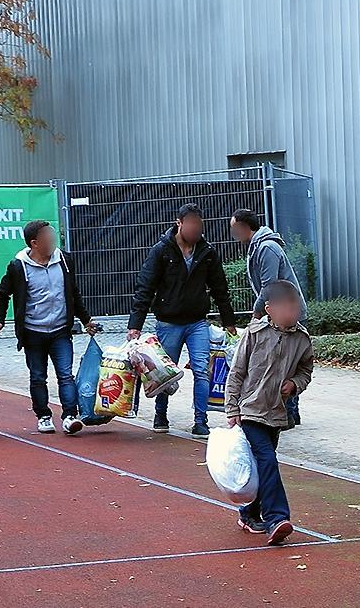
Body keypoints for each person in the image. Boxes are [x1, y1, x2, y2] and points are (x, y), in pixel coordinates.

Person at [128, 203, 237, 438]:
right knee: (165, 372)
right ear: (179, 223)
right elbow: (145, 287)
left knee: (201, 370)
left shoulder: (207, 252)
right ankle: (160, 414)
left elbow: (220, 288)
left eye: (200, 225)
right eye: (192, 225)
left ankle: (200, 420)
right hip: (169, 321)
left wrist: (229, 322)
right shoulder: (161, 250)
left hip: (198, 321)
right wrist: (135, 325)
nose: (196, 230)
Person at [225, 280, 313, 545]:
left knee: (264, 463)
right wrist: (232, 408)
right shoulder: (254, 334)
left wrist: (294, 384)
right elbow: (237, 372)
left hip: (276, 412)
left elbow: (306, 371)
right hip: (250, 410)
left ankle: (249, 513)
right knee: (267, 459)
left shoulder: (302, 339)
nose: (293, 311)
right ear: (269, 309)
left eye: (296, 306)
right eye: (287, 306)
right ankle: (277, 518)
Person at [0, 220, 98, 435]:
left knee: (65, 375)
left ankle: (69, 415)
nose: (52, 240)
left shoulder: (65, 261)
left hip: (60, 330)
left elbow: (73, 294)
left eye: (52, 235)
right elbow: (1, 293)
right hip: (32, 331)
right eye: (47, 237)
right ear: (34, 243)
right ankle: (43, 416)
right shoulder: (18, 266)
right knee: (38, 376)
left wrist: (86, 321)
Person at [230, 208, 308, 428]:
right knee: (281, 359)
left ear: (245, 228)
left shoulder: (266, 248)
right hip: (278, 310)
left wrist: (257, 313)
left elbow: (269, 285)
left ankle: (289, 413)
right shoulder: (258, 246)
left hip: (286, 312)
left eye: (234, 229)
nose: (233, 234)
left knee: (286, 361)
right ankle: (289, 412)